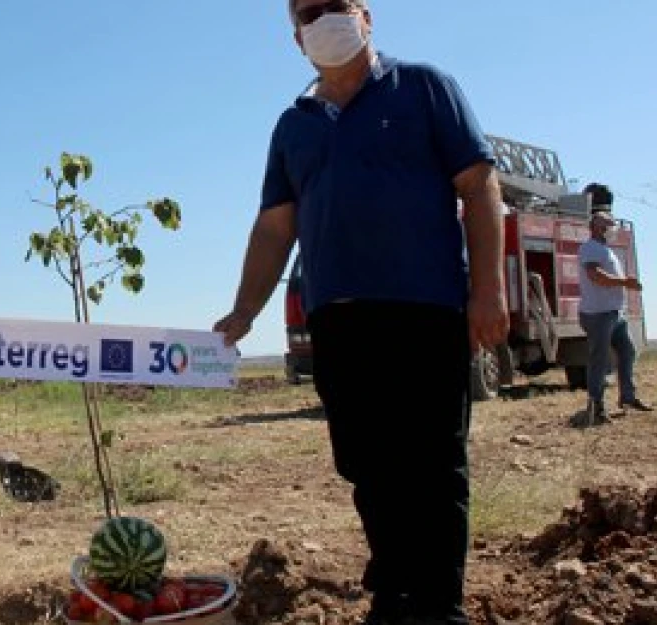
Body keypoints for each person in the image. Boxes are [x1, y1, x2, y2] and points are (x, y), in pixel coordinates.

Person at [213, 1, 508, 623]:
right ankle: (395, 593)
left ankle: (439, 604)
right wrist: (243, 312)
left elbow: (479, 187)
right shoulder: (294, 124)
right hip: (339, 319)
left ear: (366, 15)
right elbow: (274, 229)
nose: (325, 18)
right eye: (308, 11)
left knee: (431, 463)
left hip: (425, 309)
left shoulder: (425, 87)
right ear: (295, 37)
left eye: (336, 5)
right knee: (367, 465)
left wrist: (488, 291)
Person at [578, 183, 652, 425]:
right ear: (597, 227)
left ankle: (628, 397)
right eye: (608, 225)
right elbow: (595, 276)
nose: (612, 228)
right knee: (599, 359)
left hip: (613, 313)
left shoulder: (604, 249)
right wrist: (625, 282)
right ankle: (596, 406)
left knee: (627, 351)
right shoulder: (590, 249)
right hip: (598, 314)